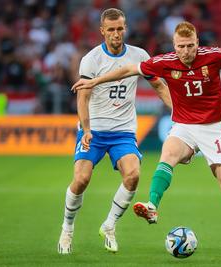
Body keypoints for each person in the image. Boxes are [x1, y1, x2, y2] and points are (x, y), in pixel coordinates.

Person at [72, 21, 221, 262]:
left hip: (213, 128)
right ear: (174, 46)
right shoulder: (165, 62)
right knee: (168, 154)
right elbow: (128, 70)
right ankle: (152, 205)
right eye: (181, 46)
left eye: (190, 45)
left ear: (198, 43)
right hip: (184, 126)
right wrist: (94, 81)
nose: (186, 51)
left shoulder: (214, 56)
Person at [58, 8, 171, 254]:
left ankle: (109, 225)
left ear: (125, 28)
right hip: (94, 130)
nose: (116, 34)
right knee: (81, 180)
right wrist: (86, 129)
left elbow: (159, 86)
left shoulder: (139, 55)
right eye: (111, 29)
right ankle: (67, 229)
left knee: (132, 175)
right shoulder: (91, 59)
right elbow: (83, 97)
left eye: (120, 28)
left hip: (123, 131)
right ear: (102, 31)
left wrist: (179, 112)